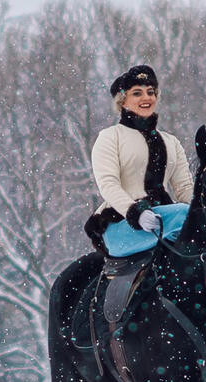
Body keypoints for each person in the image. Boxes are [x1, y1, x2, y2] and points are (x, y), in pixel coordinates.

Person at [84, 64, 195, 252]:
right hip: (122, 223)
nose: (146, 98)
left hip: (165, 220)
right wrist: (135, 213)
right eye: (137, 93)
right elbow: (109, 184)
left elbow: (184, 189)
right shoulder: (111, 137)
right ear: (122, 101)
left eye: (150, 92)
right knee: (185, 215)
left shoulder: (171, 142)